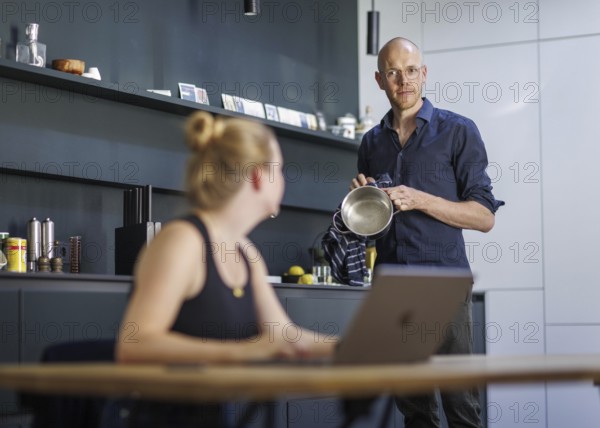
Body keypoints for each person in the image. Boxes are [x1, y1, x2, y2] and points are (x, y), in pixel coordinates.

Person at [115, 111, 335, 426]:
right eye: (281, 169)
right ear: (259, 176)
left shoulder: (246, 253)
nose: (284, 180)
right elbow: (134, 345)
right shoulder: (183, 242)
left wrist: (354, 346)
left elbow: (283, 336)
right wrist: (243, 352)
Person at [352, 37, 504, 428]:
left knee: (461, 406)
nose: (403, 79)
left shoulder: (458, 132)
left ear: (424, 73)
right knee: (414, 409)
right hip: (392, 284)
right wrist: (366, 202)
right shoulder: (370, 142)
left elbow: (484, 217)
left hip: (445, 283)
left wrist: (419, 198)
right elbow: (376, 224)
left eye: (411, 70)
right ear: (379, 80)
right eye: (392, 72)